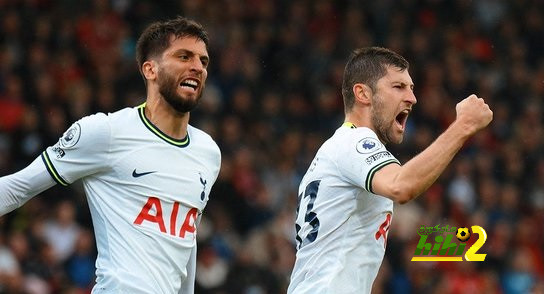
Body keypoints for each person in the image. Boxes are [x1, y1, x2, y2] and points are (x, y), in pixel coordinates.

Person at [0, 16, 221, 293]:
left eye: (203, 61)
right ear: (150, 69)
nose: (197, 67)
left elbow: (186, 242)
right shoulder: (106, 132)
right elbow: (16, 188)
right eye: (184, 56)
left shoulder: (208, 153)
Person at [287, 47, 493, 294]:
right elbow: (401, 186)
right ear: (363, 93)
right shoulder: (354, 141)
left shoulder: (336, 150)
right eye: (398, 87)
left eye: (412, 88)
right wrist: (464, 126)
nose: (412, 98)